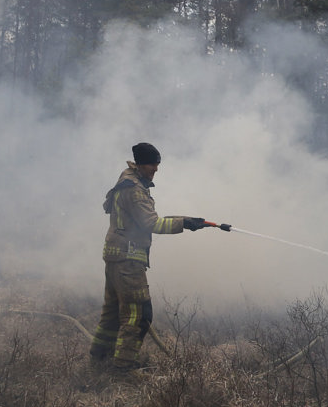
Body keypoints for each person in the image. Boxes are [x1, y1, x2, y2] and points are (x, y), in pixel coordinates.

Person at [89, 142, 229, 373]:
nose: (156, 170)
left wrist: (190, 219)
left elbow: (145, 218)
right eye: (153, 165)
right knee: (138, 315)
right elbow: (152, 223)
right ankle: (123, 370)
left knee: (112, 315)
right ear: (142, 164)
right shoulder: (134, 190)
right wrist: (184, 224)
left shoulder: (127, 181)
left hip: (116, 256)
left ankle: (99, 361)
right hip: (128, 261)